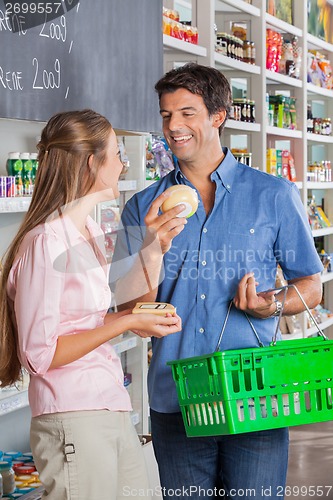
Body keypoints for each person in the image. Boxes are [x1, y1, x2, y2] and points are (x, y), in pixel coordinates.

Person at [111, 64, 323, 500]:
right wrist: (153, 247)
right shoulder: (143, 206)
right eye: (167, 115)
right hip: (177, 398)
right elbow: (130, 312)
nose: (174, 126)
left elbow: (311, 284)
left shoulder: (273, 195)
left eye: (187, 113)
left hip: (255, 395)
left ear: (218, 116)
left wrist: (273, 305)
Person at [0, 109, 182, 500]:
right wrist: (125, 321)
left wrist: (153, 252)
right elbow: (39, 354)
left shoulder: (90, 231)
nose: (123, 164)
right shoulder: (46, 242)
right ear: (91, 162)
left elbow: (92, 319)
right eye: (117, 154)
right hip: (72, 415)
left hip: (108, 403)